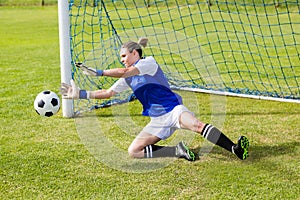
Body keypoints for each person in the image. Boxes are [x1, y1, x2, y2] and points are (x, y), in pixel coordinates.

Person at [61, 37, 249, 161]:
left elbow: (125, 71)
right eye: (121, 58)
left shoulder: (148, 63)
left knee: (197, 125)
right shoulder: (128, 78)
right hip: (158, 121)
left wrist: (100, 72)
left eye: (124, 55)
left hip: (174, 110)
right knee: (134, 151)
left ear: (136, 52)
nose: (122, 60)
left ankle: (235, 148)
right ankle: (177, 151)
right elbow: (109, 93)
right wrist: (80, 94)